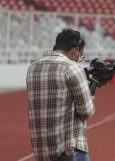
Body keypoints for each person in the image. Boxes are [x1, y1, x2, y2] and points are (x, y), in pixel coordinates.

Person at [26, 29, 95, 161]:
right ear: (75, 50)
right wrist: (90, 97)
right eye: (81, 54)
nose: (80, 59)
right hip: (68, 149)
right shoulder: (72, 68)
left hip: (41, 150)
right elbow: (87, 112)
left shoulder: (32, 68)